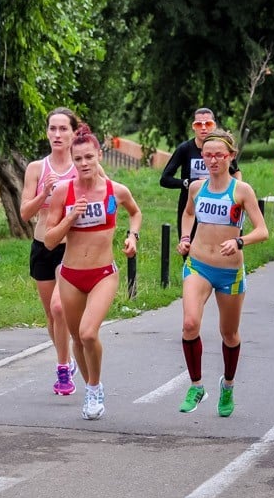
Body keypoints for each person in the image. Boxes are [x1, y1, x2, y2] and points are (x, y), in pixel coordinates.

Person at [44, 124, 141, 420]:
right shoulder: (64, 191)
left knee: (88, 333)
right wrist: (71, 217)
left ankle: (95, 387)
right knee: (76, 337)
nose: (84, 164)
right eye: (78, 159)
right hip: (71, 275)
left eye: (89, 157)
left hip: (103, 274)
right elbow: (49, 240)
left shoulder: (115, 190)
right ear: (72, 161)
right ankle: (90, 388)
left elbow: (135, 213)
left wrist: (132, 237)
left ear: (99, 155)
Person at [176, 129, 268, 416]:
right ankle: (196, 386)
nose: (213, 160)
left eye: (219, 155)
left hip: (230, 272)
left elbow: (262, 231)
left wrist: (239, 240)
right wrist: (185, 238)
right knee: (190, 324)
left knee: (229, 333)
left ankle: (227, 386)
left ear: (230, 157)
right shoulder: (196, 188)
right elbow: (189, 213)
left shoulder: (242, 190)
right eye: (208, 155)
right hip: (198, 264)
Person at [20, 108, 79, 396]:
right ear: (47, 132)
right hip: (42, 246)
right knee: (50, 315)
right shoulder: (36, 168)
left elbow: (104, 197)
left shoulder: (82, 167)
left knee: (60, 308)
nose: (57, 134)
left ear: (73, 134)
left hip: (71, 249)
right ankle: (66, 357)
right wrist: (44, 193)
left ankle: (62, 371)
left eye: (63, 129)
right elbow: (24, 213)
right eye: (53, 129)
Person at [159, 108, 241, 239]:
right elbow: (164, 179)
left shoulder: (222, 148)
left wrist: (236, 194)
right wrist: (189, 182)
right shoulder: (185, 149)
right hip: (190, 204)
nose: (203, 128)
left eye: (208, 124)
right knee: (189, 245)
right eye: (198, 124)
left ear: (214, 125)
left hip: (218, 204)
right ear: (193, 127)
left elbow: (236, 172)